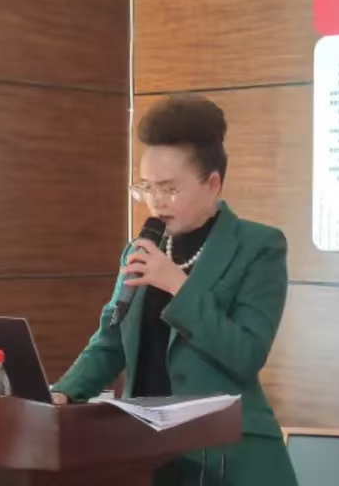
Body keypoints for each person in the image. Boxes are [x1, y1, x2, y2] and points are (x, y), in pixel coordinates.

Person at [50, 94, 298, 486]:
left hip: (228, 460)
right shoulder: (141, 249)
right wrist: (64, 393)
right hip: (147, 456)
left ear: (212, 183)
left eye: (169, 189)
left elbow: (246, 354)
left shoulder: (259, 247)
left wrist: (178, 286)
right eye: (147, 188)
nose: (156, 202)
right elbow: (110, 341)